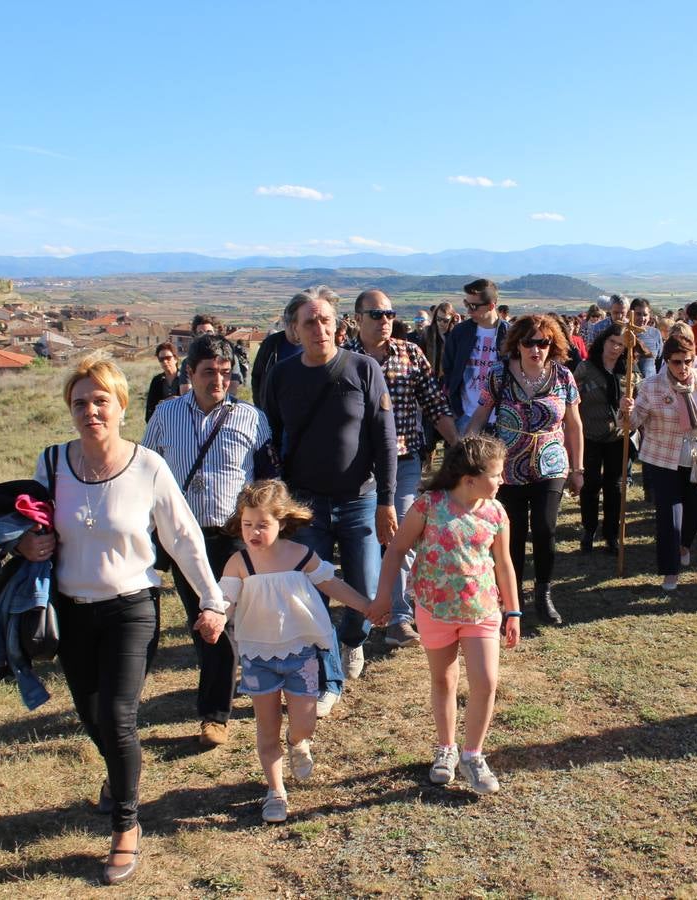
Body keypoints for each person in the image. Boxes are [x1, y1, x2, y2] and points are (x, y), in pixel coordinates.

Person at [17, 352, 225, 885]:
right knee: (90, 714)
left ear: (121, 407)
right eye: (80, 402)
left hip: (132, 606)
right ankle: (120, 771)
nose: (90, 411)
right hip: (70, 609)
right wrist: (28, 542)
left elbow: (182, 538)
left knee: (116, 714)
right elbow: (32, 526)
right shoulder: (52, 463)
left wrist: (211, 599)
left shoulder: (148, 466)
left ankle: (125, 826)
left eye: (100, 401)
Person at [202, 481, 386, 822]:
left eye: (262, 525)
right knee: (265, 728)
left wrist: (367, 606)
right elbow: (224, 599)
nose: (253, 532)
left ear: (282, 523)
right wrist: (214, 617)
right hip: (258, 657)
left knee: (304, 721)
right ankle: (275, 791)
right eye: (247, 524)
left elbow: (332, 583)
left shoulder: (300, 556)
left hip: (299, 654)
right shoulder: (238, 562)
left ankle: (299, 742)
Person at [260, 286, 397, 717]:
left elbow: (385, 439)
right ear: (294, 331)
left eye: (325, 321)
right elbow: (271, 440)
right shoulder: (281, 375)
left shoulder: (364, 369)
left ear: (340, 326)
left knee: (366, 589)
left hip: (359, 500)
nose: (319, 329)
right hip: (305, 506)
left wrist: (387, 501)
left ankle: (352, 640)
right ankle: (327, 675)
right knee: (312, 593)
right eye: (309, 322)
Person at [141, 334, 271, 747]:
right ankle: (218, 702)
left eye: (225, 373)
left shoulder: (251, 418)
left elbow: (269, 480)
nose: (218, 380)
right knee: (204, 623)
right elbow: (144, 472)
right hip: (183, 540)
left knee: (229, 620)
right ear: (190, 373)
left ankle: (218, 709)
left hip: (235, 539)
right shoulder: (165, 416)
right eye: (209, 372)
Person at [375, 436, 520, 795]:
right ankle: (445, 748)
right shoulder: (428, 506)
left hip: (482, 611)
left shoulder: (496, 512)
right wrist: (382, 598)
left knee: (486, 682)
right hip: (435, 610)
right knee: (444, 681)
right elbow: (396, 551)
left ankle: (473, 754)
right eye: (497, 474)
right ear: (469, 478)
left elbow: (504, 564)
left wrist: (513, 610)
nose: (502, 480)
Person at [345, 290, 460, 649]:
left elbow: (434, 402)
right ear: (357, 318)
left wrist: (458, 444)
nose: (384, 320)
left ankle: (398, 617)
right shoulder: (344, 358)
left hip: (404, 460)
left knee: (401, 534)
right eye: (376, 314)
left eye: (389, 314)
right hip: (357, 467)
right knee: (366, 540)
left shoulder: (410, 353)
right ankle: (363, 614)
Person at [465, 314, 582, 624]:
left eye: (543, 342)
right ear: (517, 344)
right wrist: (468, 453)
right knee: (511, 535)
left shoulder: (563, 377)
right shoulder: (498, 375)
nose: (536, 349)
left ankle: (543, 595)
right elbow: (479, 416)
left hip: (551, 464)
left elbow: (574, 425)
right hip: (507, 468)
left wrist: (578, 468)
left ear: (552, 344)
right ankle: (511, 599)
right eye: (529, 342)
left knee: (545, 528)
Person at [621, 333, 697, 591]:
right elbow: (633, 424)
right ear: (667, 361)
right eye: (677, 362)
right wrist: (626, 411)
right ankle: (670, 571)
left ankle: (685, 545)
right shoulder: (651, 386)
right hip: (662, 458)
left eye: (687, 361)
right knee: (669, 516)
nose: (683, 368)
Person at [574, 323, 629, 555]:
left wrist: (631, 406)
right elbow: (571, 398)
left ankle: (611, 534)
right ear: (603, 342)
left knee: (614, 487)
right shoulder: (586, 368)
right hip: (589, 435)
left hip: (617, 436)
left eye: (621, 344)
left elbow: (641, 403)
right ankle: (589, 529)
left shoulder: (628, 371)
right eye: (612, 342)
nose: (615, 348)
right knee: (590, 484)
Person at [442, 279, 510, 435]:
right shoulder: (460, 333)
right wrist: (456, 409)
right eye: (467, 304)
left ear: (491, 305)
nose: (469, 311)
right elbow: (448, 368)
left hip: (501, 419)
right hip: (466, 416)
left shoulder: (510, 335)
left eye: (473, 306)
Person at [251, 301, 305, 409]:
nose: (295, 330)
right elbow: (257, 376)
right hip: (272, 410)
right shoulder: (271, 344)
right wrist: (260, 406)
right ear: (285, 322)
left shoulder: (312, 343)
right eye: (292, 325)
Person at [144, 342, 181, 422]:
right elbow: (150, 408)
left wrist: (172, 400)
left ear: (175, 359)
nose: (165, 362)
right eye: (161, 359)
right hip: (162, 423)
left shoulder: (185, 378)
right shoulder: (156, 381)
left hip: (182, 422)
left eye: (168, 358)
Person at [630, 298, 662, 376]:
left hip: (650, 385)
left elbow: (659, 361)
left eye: (645, 315)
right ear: (630, 314)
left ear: (649, 316)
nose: (642, 318)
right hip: (628, 385)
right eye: (638, 314)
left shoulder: (655, 334)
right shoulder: (623, 334)